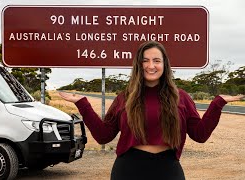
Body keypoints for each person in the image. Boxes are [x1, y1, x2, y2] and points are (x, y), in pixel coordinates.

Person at [59, 41, 244, 180]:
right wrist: (82, 103)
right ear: (138, 65)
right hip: (128, 170)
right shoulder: (125, 97)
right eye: (145, 60)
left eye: (157, 60)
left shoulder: (181, 97)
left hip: (168, 169)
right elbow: (103, 136)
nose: (151, 65)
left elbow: (200, 134)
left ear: (164, 65)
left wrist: (217, 103)